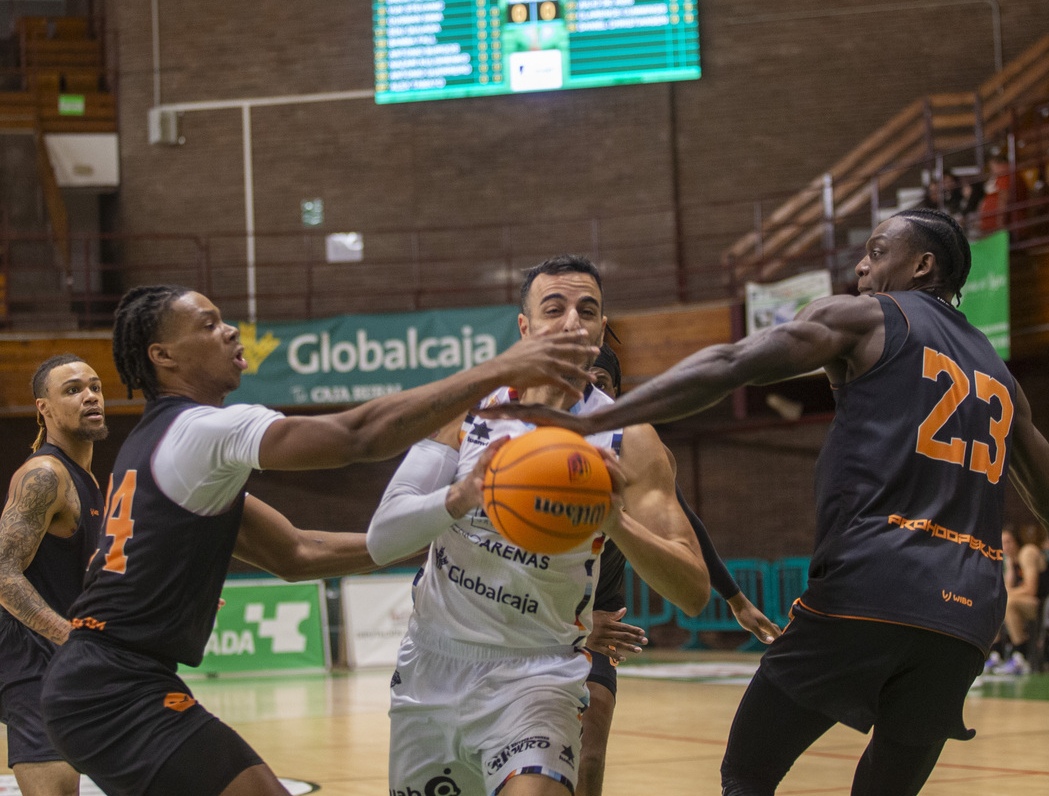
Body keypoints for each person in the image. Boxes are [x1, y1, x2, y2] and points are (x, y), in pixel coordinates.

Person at [482, 208, 1049, 795]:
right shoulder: (1003, 378)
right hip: (969, 617)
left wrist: (593, 422)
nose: (862, 267)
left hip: (871, 588)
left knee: (747, 770)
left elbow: (732, 364)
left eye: (879, 251)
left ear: (922, 268)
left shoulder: (868, 317)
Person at [37, 284, 597, 796]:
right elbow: (354, 436)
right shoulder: (204, 430)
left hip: (99, 684)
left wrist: (433, 536)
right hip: (114, 688)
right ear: (164, 356)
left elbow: (297, 554)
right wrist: (493, 371)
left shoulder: (163, 444)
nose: (230, 330)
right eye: (208, 325)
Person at [364, 255, 711, 796]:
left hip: (540, 672)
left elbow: (692, 591)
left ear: (601, 330)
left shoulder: (632, 441)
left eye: (587, 310)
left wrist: (615, 520)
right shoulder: (466, 410)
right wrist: (461, 495)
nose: (572, 321)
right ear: (524, 327)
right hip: (433, 663)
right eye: (555, 308)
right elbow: (383, 537)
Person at [577, 344, 781, 796]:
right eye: (582, 381)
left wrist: (736, 599)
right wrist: (566, 625)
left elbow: (686, 528)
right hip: (532, 623)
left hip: (602, 616)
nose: (591, 392)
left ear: (618, 393)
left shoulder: (635, 451)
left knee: (589, 759)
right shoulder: (527, 448)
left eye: (602, 384)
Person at [0, 355, 107, 796]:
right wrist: (69, 637)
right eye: (73, 389)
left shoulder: (87, 480)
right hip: (31, 658)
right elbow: (2, 572)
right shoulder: (45, 475)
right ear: (43, 408)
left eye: (95, 386)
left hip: (67, 659)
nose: (90, 395)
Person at [989, 525, 1049, 675]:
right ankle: (995, 654)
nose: (1005, 546)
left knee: (1008, 603)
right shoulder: (1011, 561)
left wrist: (1005, 595)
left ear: (1016, 541)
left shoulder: (1027, 552)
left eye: (1008, 541)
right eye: (1002, 543)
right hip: (1032, 605)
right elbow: (1007, 589)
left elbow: (1030, 589)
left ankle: (1020, 656)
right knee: (994, 603)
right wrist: (1008, 565)